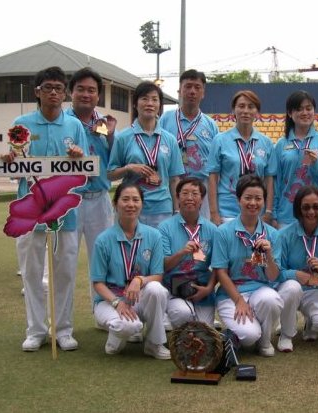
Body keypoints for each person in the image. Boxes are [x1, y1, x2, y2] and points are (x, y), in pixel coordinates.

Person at [1, 66, 88, 351]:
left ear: (65, 93)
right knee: (31, 272)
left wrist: (78, 156)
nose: (53, 92)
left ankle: (63, 329)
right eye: (48, 87)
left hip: (66, 214)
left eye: (58, 88)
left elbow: (86, 168)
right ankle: (36, 330)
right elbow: (16, 170)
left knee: (65, 272)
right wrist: (10, 161)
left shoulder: (74, 126)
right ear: (37, 91)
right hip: (30, 212)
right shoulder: (22, 124)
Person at [90, 182, 170, 359]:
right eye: (125, 199)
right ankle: (117, 334)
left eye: (135, 200)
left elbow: (158, 275)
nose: (130, 204)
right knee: (129, 328)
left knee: (157, 290)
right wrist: (117, 303)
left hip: (140, 296)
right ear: (115, 203)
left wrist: (139, 280)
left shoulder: (153, 235)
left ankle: (154, 344)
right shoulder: (103, 240)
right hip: (111, 300)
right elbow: (98, 282)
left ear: (142, 204)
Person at [211, 175, 283, 357]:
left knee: (272, 299)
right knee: (250, 335)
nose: (253, 203)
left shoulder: (273, 234)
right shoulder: (223, 232)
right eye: (248, 198)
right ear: (238, 200)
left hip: (260, 290)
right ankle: (249, 334)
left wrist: (268, 254)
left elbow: (273, 277)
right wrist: (239, 300)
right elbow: (221, 272)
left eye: (258, 198)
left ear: (264, 201)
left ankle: (265, 341)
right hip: (231, 294)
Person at [108, 81, 184, 228]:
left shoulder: (170, 139)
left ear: (159, 106)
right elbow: (110, 174)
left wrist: (177, 209)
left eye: (154, 99)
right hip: (132, 207)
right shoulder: (123, 137)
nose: (150, 103)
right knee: (130, 250)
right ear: (135, 104)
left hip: (162, 209)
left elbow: (175, 179)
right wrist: (128, 168)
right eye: (144, 98)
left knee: (160, 250)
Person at [66, 68, 116, 288]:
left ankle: (104, 312)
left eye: (91, 90)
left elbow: (117, 159)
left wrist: (112, 134)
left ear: (98, 96)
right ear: (71, 93)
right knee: (65, 260)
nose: (86, 94)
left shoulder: (105, 124)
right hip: (68, 199)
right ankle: (60, 321)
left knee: (103, 261)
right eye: (81, 89)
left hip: (100, 199)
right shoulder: (62, 122)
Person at [276, 186, 318, 352]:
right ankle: (286, 334)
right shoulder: (284, 235)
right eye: (306, 207)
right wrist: (296, 275)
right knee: (292, 288)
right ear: (298, 208)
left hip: (315, 289)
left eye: (316, 207)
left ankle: (310, 322)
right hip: (290, 288)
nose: (311, 212)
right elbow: (277, 273)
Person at [207, 90, 276, 226]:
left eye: (251, 107)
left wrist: (268, 211)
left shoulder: (266, 142)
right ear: (233, 110)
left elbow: (269, 180)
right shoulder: (220, 140)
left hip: (256, 211)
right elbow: (213, 178)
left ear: (257, 112)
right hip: (227, 211)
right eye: (241, 106)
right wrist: (214, 213)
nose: (245, 111)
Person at [159, 69, 219, 219]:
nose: (192, 91)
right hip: (172, 186)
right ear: (180, 91)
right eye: (188, 86)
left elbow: (216, 163)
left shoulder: (211, 125)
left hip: (201, 187)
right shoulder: (165, 120)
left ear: (203, 93)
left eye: (197, 87)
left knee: (201, 234)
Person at [158, 177, 218, 328]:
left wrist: (209, 289)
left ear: (202, 199)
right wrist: (181, 253)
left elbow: (219, 266)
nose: (190, 198)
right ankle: (168, 313)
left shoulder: (213, 230)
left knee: (204, 329)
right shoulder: (165, 228)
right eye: (184, 193)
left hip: (202, 288)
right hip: (175, 288)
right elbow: (162, 266)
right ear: (177, 197)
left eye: (195, 194)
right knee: (183, 314)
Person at [273, 91, 318, 228]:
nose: (305, 112)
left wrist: (317, 165)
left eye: (308, 108)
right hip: (287, 215)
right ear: (290, 113)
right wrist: (274, 214)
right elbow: (276, 183)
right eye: (299, 109)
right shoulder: (281, 144)